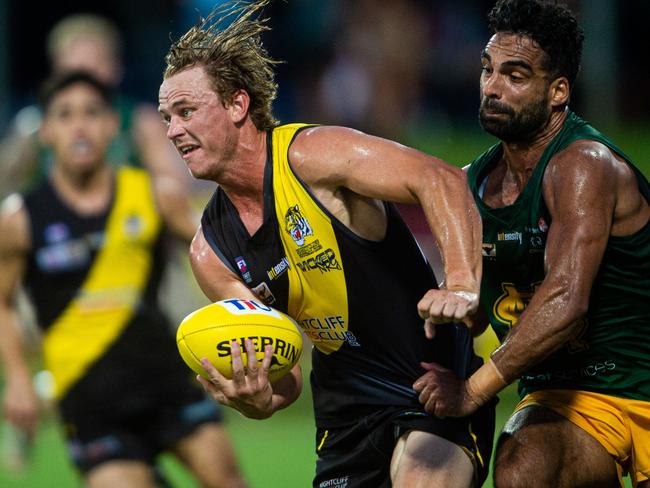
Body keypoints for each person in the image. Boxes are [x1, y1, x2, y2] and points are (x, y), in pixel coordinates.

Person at [157, 1, 496, 487]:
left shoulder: (312, 157)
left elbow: (439, 179)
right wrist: (260, 399)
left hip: (433, 386)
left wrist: (462, 281)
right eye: (167, 117)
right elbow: (286, 372)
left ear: (237, 104)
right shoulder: (209, 252)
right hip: (345, 415)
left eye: (187, 111)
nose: (173, 131)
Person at [413, 1, 650, 487]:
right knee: (523, 466)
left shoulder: (584, 164)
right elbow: (470, 309)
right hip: (566, 398)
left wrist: (471, 391)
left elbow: (566, 303)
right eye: (487, 69)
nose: (492, 87)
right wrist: (448, 304)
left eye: (515, 75)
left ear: (558, 91)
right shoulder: (471, 186)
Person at [0, 71, 247, 488]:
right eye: (64, 115)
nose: (79, 125)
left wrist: (240, 304)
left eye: (92, 113)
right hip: (90, 402)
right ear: (46, 131)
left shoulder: (153, 194)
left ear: (112, 125)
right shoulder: (20, 218)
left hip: (167, 383)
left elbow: (216, 254)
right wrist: (19, 379)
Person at [0, 13, 185, 198]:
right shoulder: (32, 126)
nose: (84, 85)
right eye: (74, 71)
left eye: (93, 69)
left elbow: (176, 191)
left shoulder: (142, 123)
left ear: (116, 69)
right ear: (56, 73)